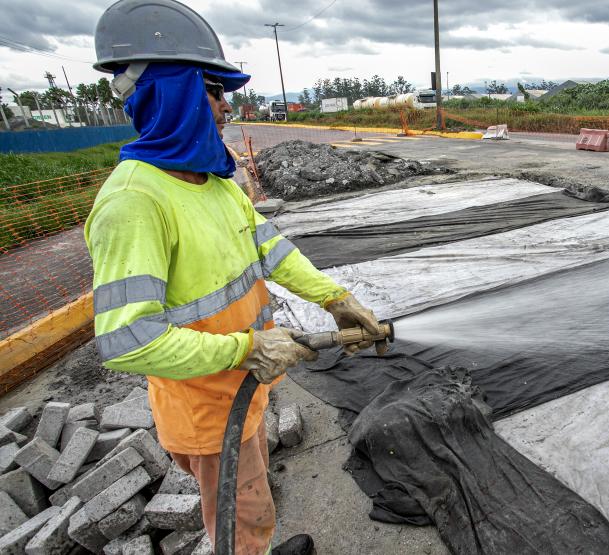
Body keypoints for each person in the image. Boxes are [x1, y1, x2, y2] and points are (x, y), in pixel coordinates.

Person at [86, 1, 383, 552]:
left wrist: (335, 298)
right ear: (173, 93)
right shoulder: (134, 204)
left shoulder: (215, 183)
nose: (226, 108)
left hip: (241, 391)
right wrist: (246, 349)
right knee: (241, 522)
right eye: (214, 92)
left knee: (251, 502)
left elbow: (272, 250)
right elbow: (127, 342)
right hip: (206, 406)